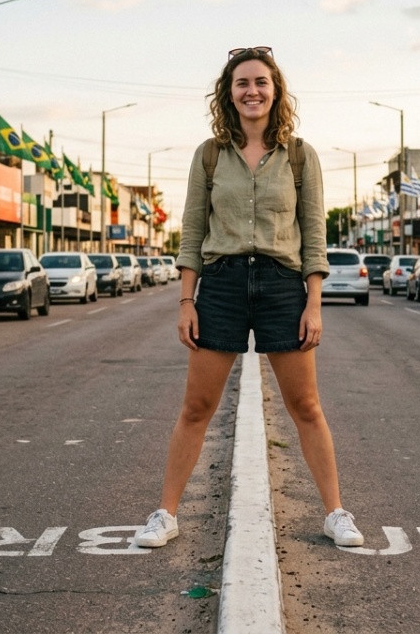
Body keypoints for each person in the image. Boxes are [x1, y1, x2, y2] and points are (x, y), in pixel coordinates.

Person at [135, 46, 363, 549]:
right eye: (242, 83)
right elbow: (192, 230)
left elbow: (314, 233)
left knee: (306, 405)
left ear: (276, 90)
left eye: (261, 82)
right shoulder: (210, 154)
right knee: (197, 407)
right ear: (229, 92)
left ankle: (335, 512)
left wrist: (314, 301)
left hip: (282, 286)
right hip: (222, 285)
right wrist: (186, 301)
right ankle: (165, 514)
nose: (252, 91)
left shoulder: (300, 155)